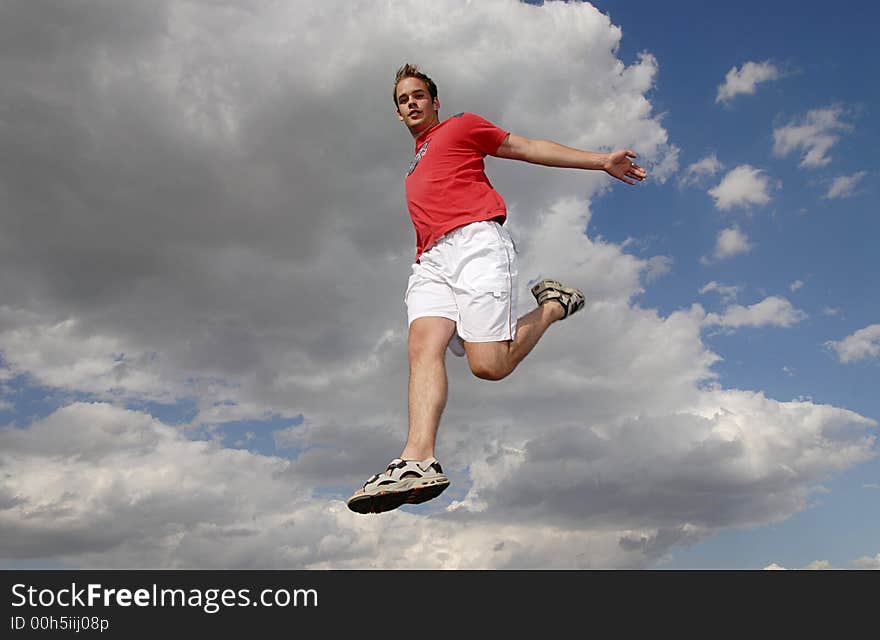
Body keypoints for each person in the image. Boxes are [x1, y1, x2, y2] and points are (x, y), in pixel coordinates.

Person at [347, 64, 647, 514]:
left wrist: (600, 160)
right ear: (397, 113)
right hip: (430, 260)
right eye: (402, 100)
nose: (410, 103)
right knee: (420, 345)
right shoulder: (415, 161)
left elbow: (528, 148)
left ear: (434, 102)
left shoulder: (463, 126)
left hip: (476, 244)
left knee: (488, 366)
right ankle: (417, 459)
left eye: (418, 96)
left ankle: (551, 305)